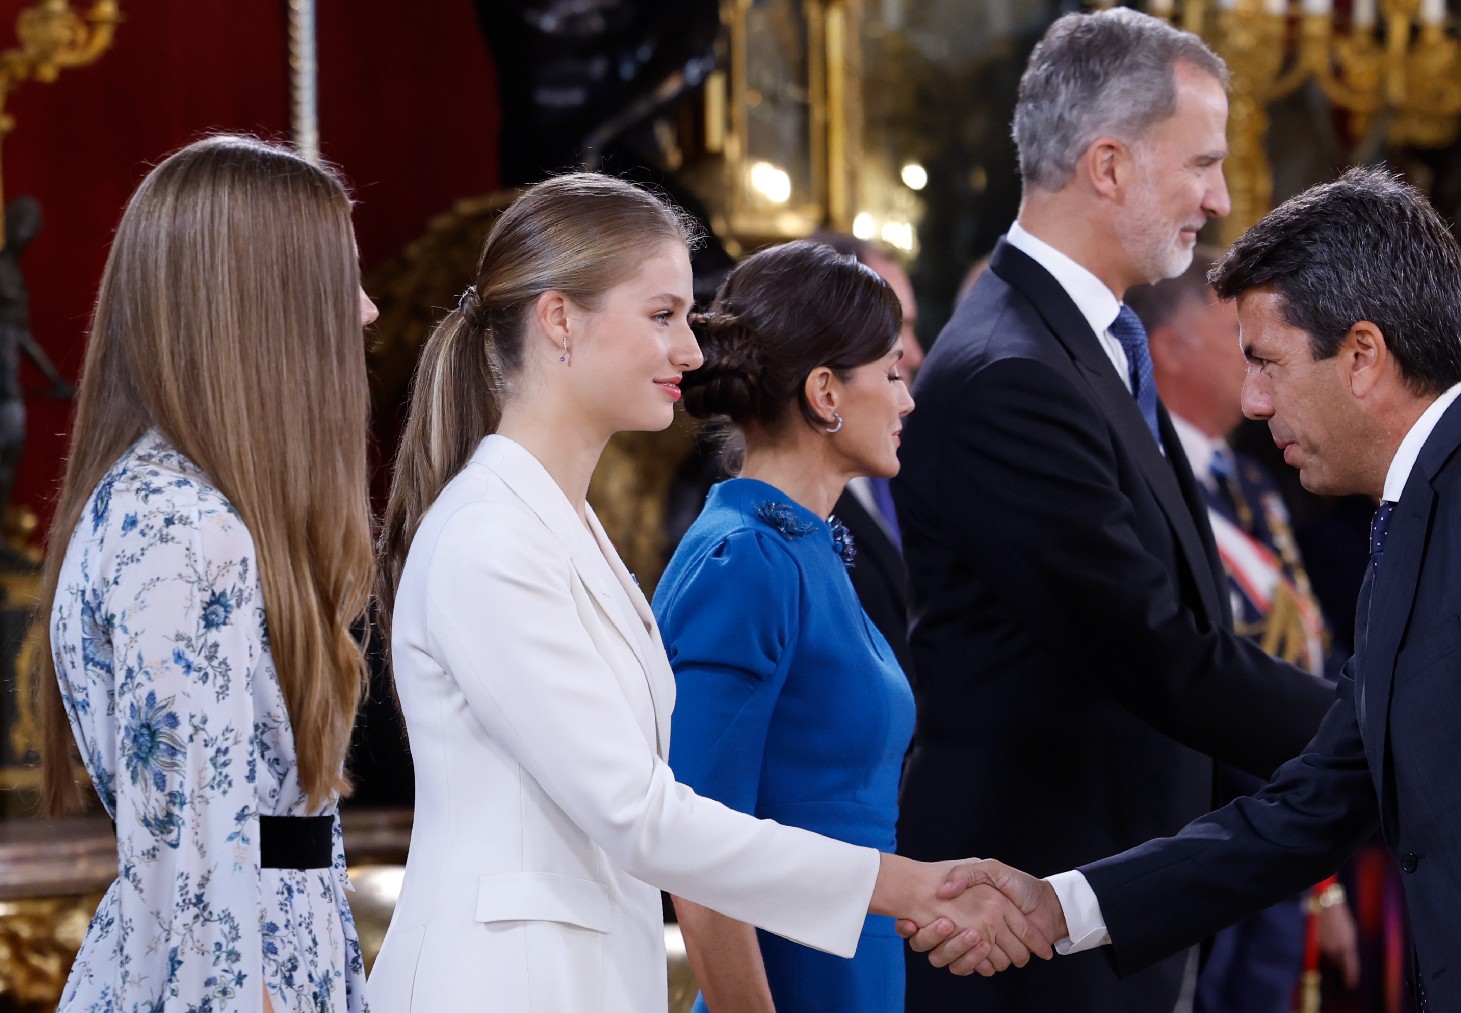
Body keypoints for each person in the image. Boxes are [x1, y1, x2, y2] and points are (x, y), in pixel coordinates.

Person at [908, 167, 1461, 1013]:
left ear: (1363, 354)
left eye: (1269, 362)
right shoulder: (1419, 514)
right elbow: (1310, 806)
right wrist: (1064, 905)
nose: (1252, 400)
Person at [367, 174, 1046, 1013]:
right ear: (559, 321)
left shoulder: (563, 526)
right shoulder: (489, 536)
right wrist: (900, 885)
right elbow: (641, 812)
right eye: (663, 317)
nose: (692, 353)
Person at [892, 9, 1333, 1012]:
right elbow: (1157, 649)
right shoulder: (1010, 371)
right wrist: (1385, 729)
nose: (1218, 200)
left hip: (1104, 912)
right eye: (1203, 164)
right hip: (1023, 927)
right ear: (1107, 166)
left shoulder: (1087, 343)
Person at [34, 135, 380, 1013]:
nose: (370, 312)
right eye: (343, 282)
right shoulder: (183, 528)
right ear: (267, 307)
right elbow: (189, 855)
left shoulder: (167, 505)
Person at [655, 240, 916, 1013]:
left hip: (855, 964)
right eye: (893, 372)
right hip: (789, 981)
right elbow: (697, 859)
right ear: (826, 391)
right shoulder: (746, 561)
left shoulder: (802, 543)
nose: (905, 399)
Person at [1129, 254, 1359, 1012]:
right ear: (1170, 348)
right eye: (1236, 338)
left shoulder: (1251, 480)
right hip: (1214, 816)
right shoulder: (1149, 485)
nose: (1254, 362)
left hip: (1289, 793)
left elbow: (1303, 637)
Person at [810, 231, 920, 680]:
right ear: (826, 385)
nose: (916, 354)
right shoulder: (748, 548)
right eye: (891, 363)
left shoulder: (912, 456)